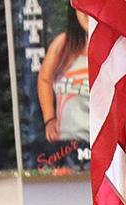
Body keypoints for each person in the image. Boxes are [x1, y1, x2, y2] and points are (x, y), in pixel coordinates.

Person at [37, 4, 90, 142]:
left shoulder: (115, 48)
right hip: (66, 146)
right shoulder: (63, 44)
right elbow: (44, 79)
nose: (88, 10)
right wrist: (49, 119)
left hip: (102, 148)